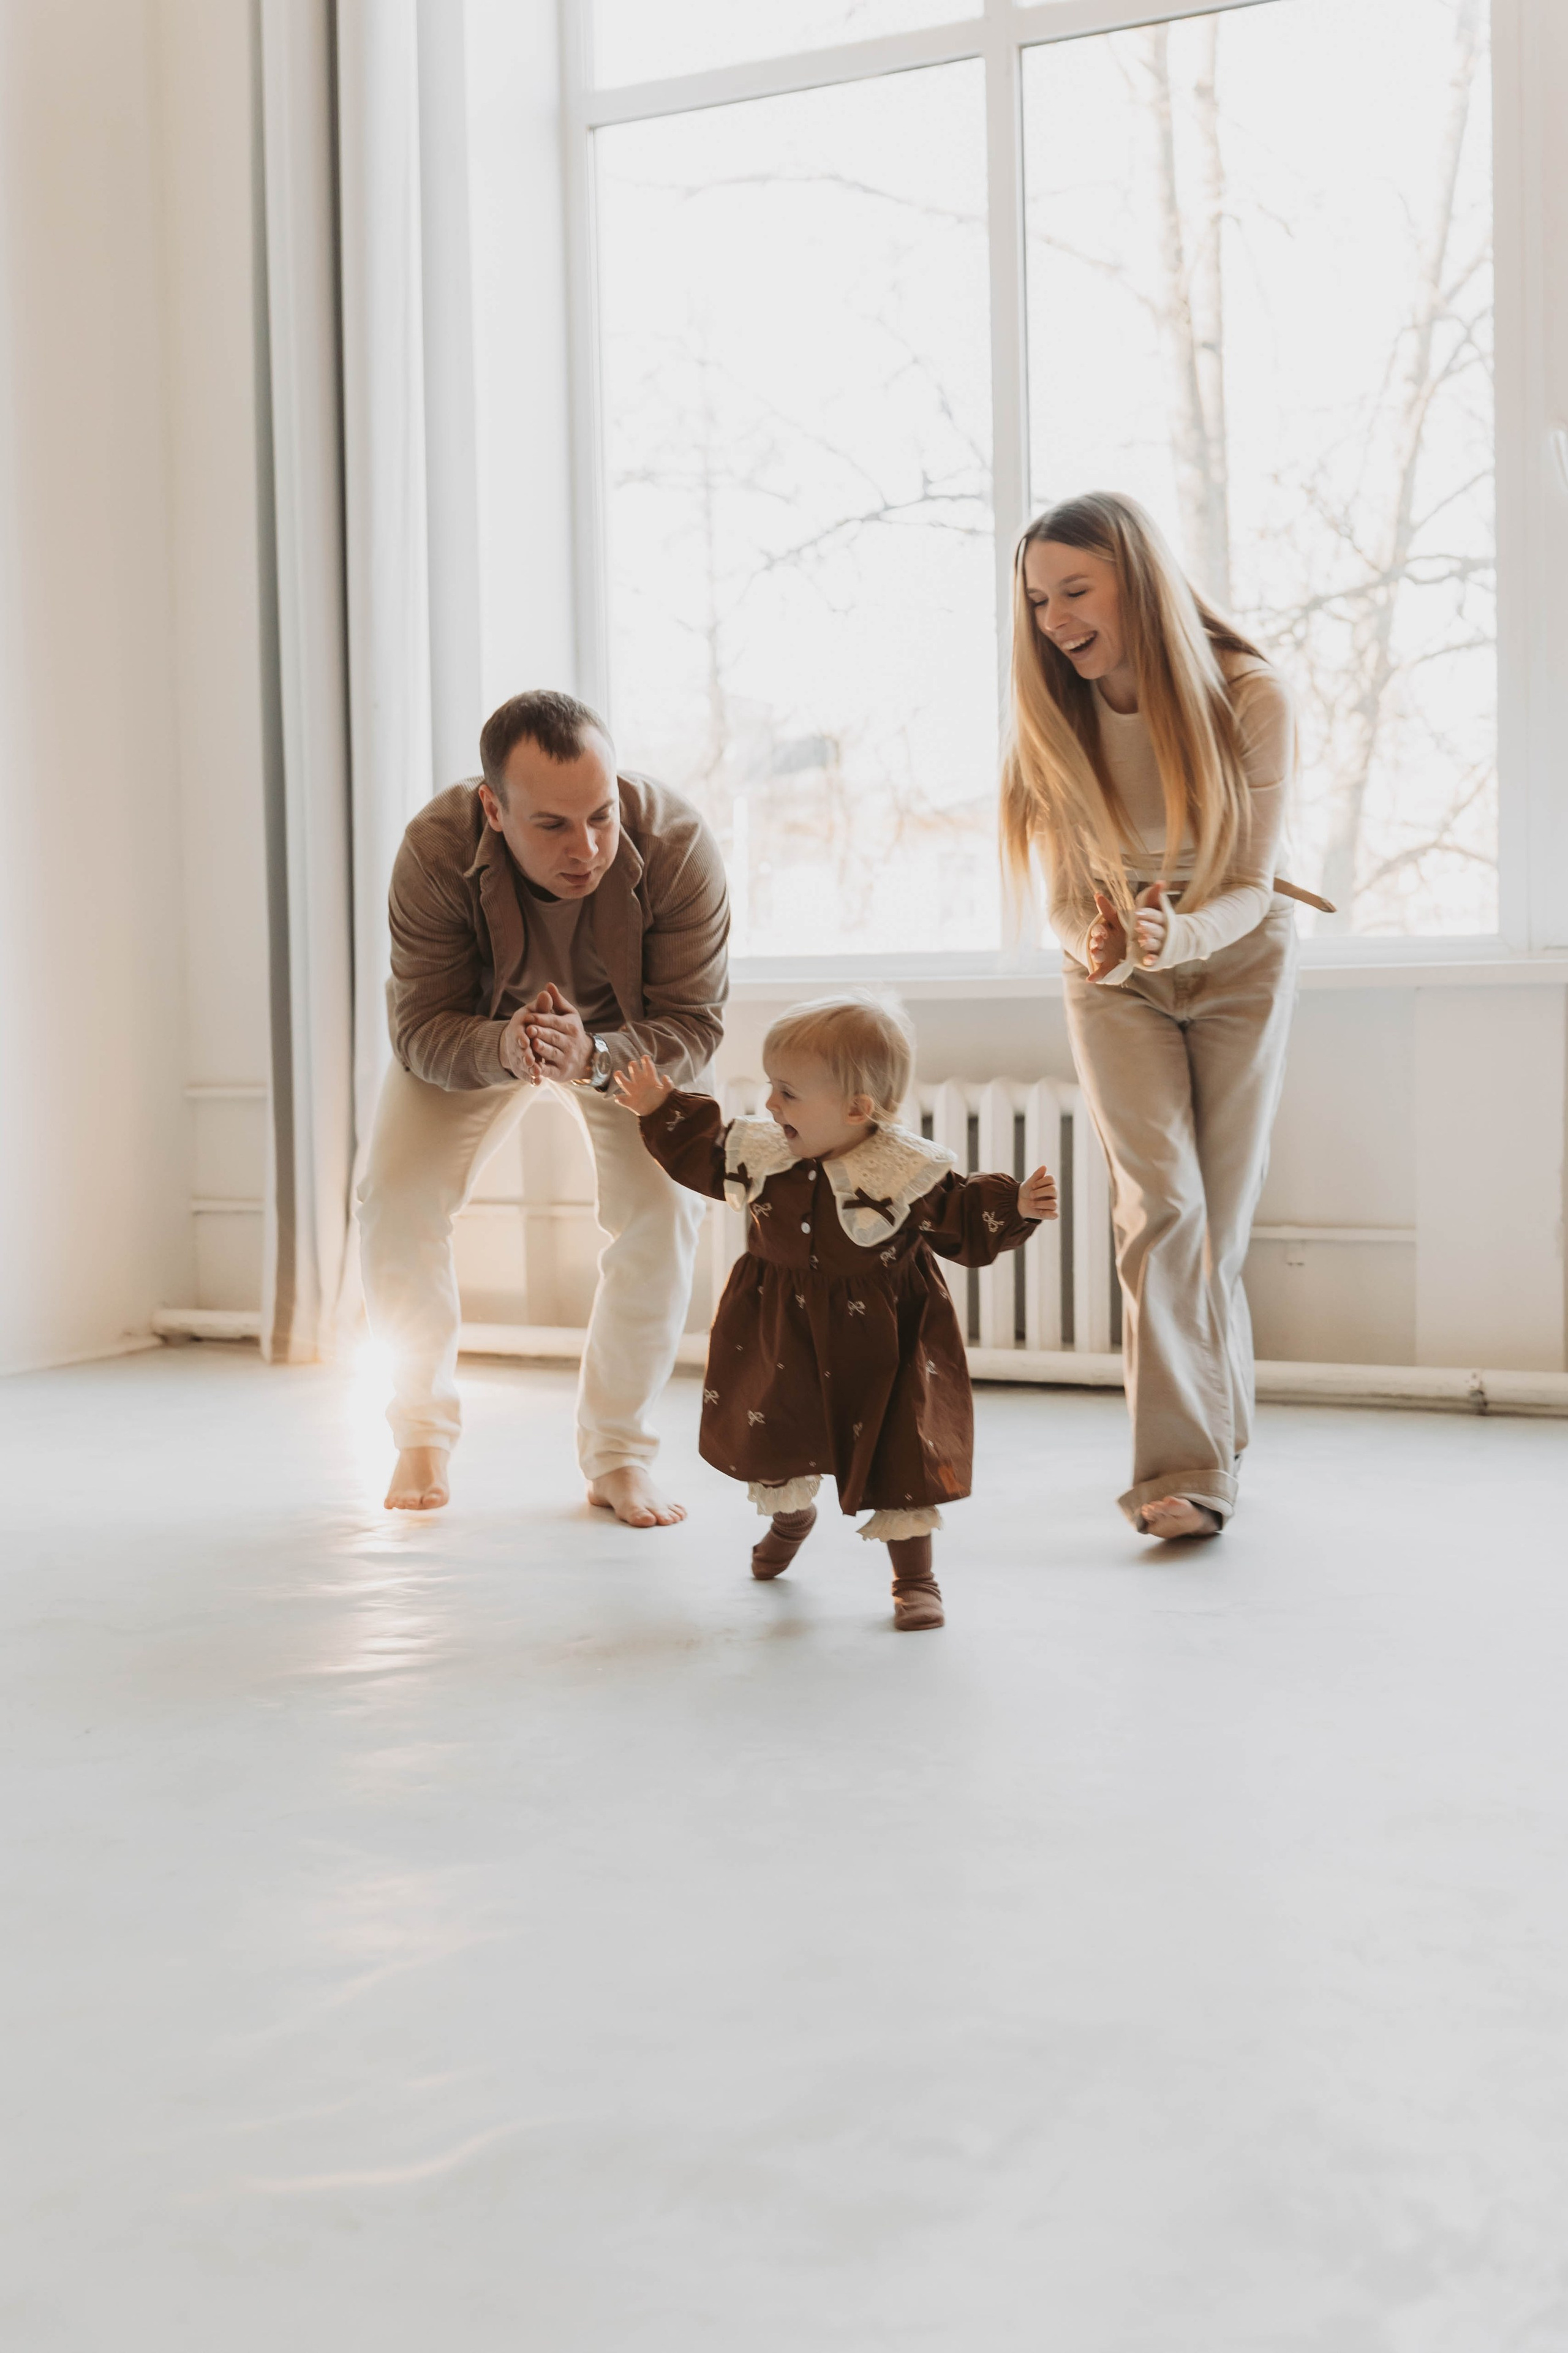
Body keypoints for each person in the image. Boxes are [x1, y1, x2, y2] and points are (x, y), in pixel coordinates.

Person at [1001, 491, 1322, 1541]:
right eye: (1040, 598)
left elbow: (1249, 883)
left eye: (1076, 591)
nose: (1054, 618)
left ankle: (1211, 1442)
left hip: (1235, 957)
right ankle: (1180, 1475)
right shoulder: (1054, 715)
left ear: (1137, 580)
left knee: (1216, 1225)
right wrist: (1095, 945)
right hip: (1113, 977)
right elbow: (1056, 897)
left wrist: (1170, 938)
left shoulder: (1250, 696)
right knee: (1162, 1211)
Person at [357, 689, 729, 1526]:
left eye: (601, 815)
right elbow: (418, 1027)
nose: (587, 847)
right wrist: (504, 1047)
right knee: (393, 1197)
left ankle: (619, 1453)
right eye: (553, 825)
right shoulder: (433, 850)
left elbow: (695, 1027)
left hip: (624, 1045)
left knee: (666, 1207)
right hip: (480, 1034)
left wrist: (593, 1056)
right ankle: (420, 1429)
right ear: (493, 809)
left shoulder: (678, 846)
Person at [612, 995, 1058, 1628]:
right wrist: (663, 1110)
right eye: (771, 1087)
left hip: (883, 1341)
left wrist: (1019, 1208)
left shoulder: (904, 1170)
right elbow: (706, 1157)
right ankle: (791, 1518)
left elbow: (962, 1222)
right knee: (777, 1430)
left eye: (788, 1093)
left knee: (899, 1451)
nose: (770, 1105)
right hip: (780, 1329)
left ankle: (915, 1575)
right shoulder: (766, 1153)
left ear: (857, 1109)